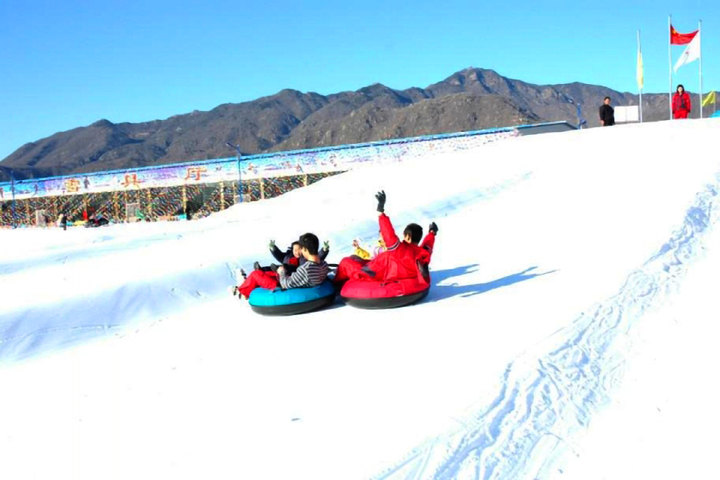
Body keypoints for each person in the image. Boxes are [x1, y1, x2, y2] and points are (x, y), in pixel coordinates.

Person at [334, 191, 437, 284]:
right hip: (378, 266)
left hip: (375, 274)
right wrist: (432, 233)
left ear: (408, 236)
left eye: (404, 235)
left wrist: (381, 213)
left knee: (346, 262)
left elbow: (388, 234)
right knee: (355, 258)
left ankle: (336, 284)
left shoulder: (400, 250)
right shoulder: (422, 254)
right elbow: (428, 245)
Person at [233, 233, 329, 300]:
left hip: (281, 286)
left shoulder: (306, 269)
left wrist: (281, 272)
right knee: (266, 273)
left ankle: (241, 291)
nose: (299, 252)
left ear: (305, 249)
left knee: (256, 274)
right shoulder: (323, 265)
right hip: (293, 278)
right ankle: (244, 286)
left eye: (301, 249)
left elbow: (285, 284)